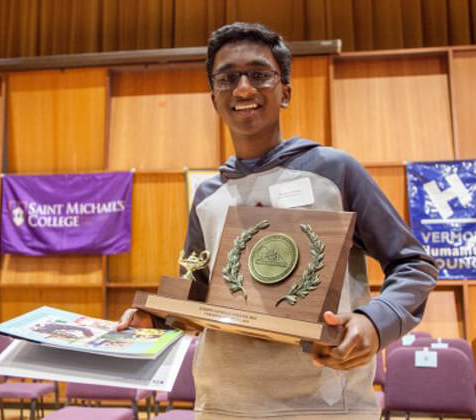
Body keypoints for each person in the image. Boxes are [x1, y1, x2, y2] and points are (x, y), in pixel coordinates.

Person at [118, 22, 438, 419]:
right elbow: (200, 295)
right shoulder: (207, 196)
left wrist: (375, 322)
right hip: (222, 405)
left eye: (259, 75)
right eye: (227, 78)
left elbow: (413, 263)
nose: (244, 89)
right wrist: (157, 318)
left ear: (285, 91)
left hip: (323, 407)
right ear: (213, 97)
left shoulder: (335, 171)